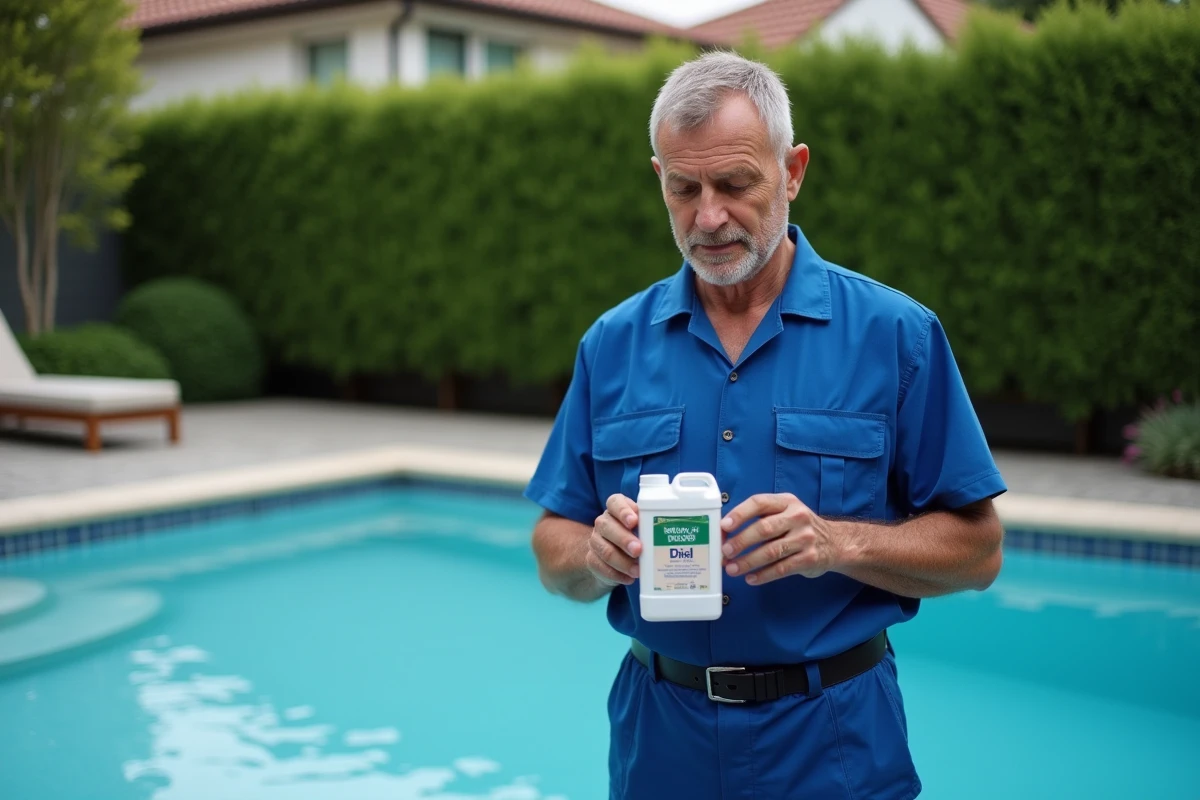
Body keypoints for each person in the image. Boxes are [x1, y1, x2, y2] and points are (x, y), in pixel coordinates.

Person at [523, 51, 1006, 799]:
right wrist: (594, 553)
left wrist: (839, 541)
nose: (707, 216)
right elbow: (552, 546)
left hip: (834, 744)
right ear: (660, 179)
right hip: (660, 745)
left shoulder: (896, 336)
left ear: (794, 171)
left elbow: (979, 551)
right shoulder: (610, 344)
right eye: (684, 188)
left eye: (735, 184)